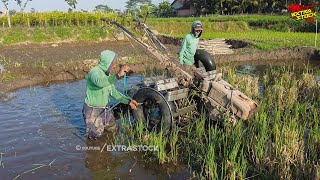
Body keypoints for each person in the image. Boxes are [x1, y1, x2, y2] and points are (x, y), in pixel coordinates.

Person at [82, 50, 138, 140]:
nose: (115, 65)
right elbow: (100, 83)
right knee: (94, 139)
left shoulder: (107, 75)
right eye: (113, 63)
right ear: (107, 62)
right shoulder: (94, 72)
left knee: (114, 129)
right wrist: (117, 76)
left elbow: (114, 93)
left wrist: (129, 101)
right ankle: (94, 152)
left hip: (105, 110)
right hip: (93, 112)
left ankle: (109, 148)